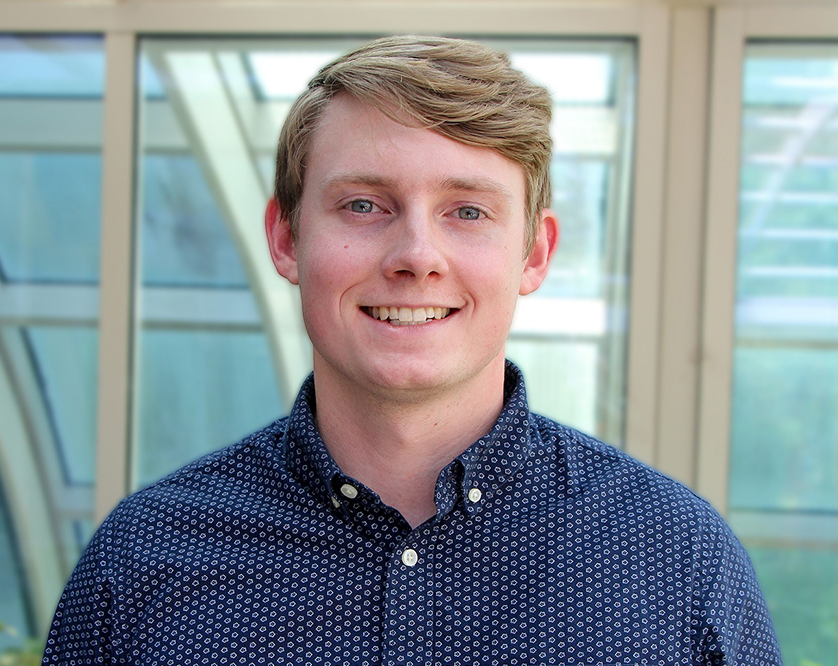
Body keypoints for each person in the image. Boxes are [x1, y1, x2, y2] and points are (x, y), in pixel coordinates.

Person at [41, 35, 782, 665]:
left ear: (535, 253)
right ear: (285, 237)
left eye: (467, 210)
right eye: (364, 205)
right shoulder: (139, 565)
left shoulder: (680, 564)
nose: (416, 256)